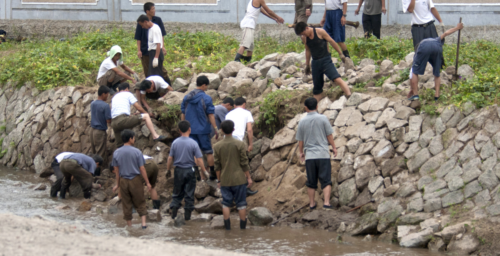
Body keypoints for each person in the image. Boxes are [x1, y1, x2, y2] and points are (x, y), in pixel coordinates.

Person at [296, 98, 337, 210]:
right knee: (326, 179)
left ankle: (312, 204)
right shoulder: (323, 118)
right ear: (317, 106)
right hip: (323, 154)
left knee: (311, 181)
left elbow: (300, 140)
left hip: (310, 156)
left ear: (306, 108)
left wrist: (301, 153)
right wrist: (333, 147)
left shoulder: (302, 122)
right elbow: (329, 135)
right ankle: (327, 203)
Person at [294, 22, 352, 102]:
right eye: (301, 35)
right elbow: (307, 49)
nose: (303, 36)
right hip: (315, 62)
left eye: (303, 33)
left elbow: (331, 41)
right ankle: (316, 107)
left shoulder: (320, 32)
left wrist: (340, 54)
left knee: (336, 78)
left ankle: (349, 96)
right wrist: (307, 65)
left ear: (307, 28)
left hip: (325, 59)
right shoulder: (304, 38)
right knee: (317, 86)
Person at [407, 22, 464, 102]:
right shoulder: (437, 40)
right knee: (436, 72)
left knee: (414, 71)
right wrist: (457, 28)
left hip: (424, 47)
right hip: (437, 48)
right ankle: (437, 96)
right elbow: (445, 33)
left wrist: (412, 89)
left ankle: (415, 95)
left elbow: (412, 73)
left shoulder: (420, 47)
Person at [214, 120, 252, 230]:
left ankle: (228, 229)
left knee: (226, 203)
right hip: (239, 179)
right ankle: (242, 230)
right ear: (233, 129)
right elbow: (244, 163)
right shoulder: (240, 144)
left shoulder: (217, 146)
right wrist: (248, 177)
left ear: (221, 131)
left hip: (225, 179)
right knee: (241, 203)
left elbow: (217, 166)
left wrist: (219, 180)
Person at [167, 121, 208, 221]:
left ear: (179, 130)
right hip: (190, 170)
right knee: (189, 194)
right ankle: (187, 218)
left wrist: (168, 170)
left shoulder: (175, 142)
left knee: (177, 192)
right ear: (189, 129)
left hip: (178, 170)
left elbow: (170, 158)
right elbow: (199, 159)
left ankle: (173, 215)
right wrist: (204, 171)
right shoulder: (193, 143)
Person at [181, 76, 218, 180]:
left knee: (194, 152)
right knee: (208, 151)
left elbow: (183, 113)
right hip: (203, 130)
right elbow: (210, 115)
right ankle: (212, 172)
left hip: (190, 130)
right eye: (206, 86)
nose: (206, 88)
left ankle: (197, 173)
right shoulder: (206, 98)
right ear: (204, 85)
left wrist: (183, 128)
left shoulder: (186, 97)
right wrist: (215, 128)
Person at [112, 129, 151, 229]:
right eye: (133, 137)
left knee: (126, 203)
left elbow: (117, 171)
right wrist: (147, 182)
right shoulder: (137, 152)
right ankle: (143, 224)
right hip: (135, 180)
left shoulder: (116, 152)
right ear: (130, 139)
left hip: (123, 180)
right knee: (140, 201)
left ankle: (129, 226)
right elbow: (142, 168)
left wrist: (117, 184)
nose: (134, 139)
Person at [110, 83, 166, 148]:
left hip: (114, 123)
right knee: (146, 116)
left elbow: (118, 111)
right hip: (122, 120)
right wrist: (146, 113)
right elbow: (138, 107)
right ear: (127, 89)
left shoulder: (114, 97)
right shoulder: (128, 94)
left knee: (120, 146)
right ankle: (155, 136)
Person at [225, 97, 258, 196]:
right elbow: (249, 130)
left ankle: (230, 190)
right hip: (239, 140)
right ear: (244, 104)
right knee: (242, 163)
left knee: (230, 164)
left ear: (234, 105)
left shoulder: (229, 114)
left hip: (227, 140)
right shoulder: (246, 113)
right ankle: (244, 189)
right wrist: (250, 144)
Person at [134, 2, 171, 85]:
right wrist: (139, 50)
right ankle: (151, 90)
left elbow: (161, 36)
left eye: (154, 9)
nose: (154, 10)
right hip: (145, 50)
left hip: (155, 50)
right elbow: (138, 37)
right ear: (147, 11)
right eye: (153, 9)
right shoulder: (141, 22)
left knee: (160, 70)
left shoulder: (157, 21)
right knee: (148, 71)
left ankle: (167, 87)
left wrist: (162, 46)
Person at [137, 15, 166, 81]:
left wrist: (156, 57)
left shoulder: (154, 29)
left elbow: (158, 44)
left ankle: (165, 88)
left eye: (142, 25)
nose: (142, 27)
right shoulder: (151, 28)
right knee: (153, 74)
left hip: (156, 52)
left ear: (145, 22)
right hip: (152, 52)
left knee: (156, 75)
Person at [90, 86, 112, 166]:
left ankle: (92, 170)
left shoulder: (93, 104)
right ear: (103, 94)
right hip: (99, 131)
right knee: (100, 153)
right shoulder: (105, 106)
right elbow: (108, 120)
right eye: (107, 94)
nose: (107, 96)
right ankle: (100, 172)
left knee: (94, 153)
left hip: (92, 130)